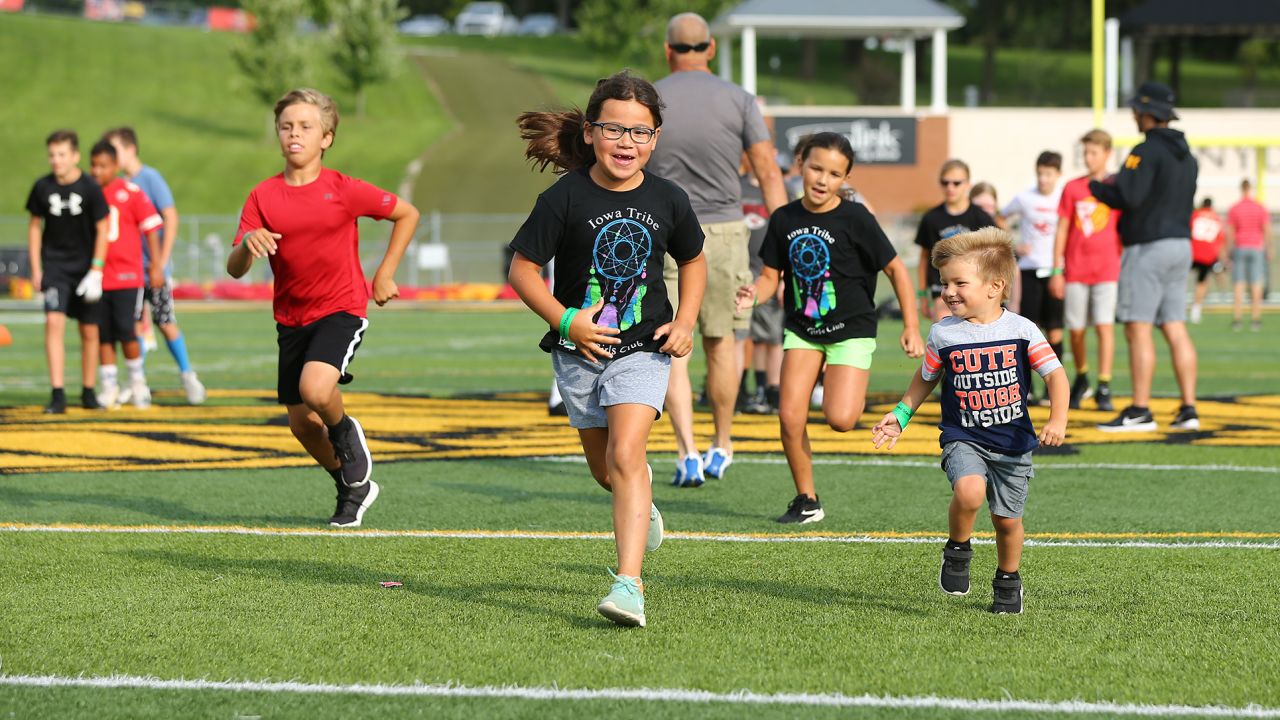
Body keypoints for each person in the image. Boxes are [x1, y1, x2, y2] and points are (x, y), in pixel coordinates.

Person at [509, 70, 707, 628]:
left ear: (657, 138)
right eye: (615, 130)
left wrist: (686, 321)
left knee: (626, 455)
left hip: (644, 349)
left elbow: (693, 260)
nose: (627, 143)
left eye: (640, 133)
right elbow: (522, 270)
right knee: (610, 471)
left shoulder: (669, 198)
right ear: (592, 133)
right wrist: (567, 319)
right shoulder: (563, 198)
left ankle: (629, 586)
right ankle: (642, 507)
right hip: (578, 356)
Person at [228, 88, 419, 528]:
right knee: (300, 423)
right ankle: (352, 485)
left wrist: (385, 273)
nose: (294, 134)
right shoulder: (262, 196)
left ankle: (347, 434)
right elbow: (235, 267)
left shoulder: (344, 190)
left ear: (326, 138)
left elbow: (407, 213)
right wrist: (247, 247)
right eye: (286, 126)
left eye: (305, 127)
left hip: (341, 308)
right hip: (290, 318)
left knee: (317, 391)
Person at [872, 227, 1067, 615]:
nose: (948, 291)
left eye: (960, 282)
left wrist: (1057, 418)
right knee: (970, 492)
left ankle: (1008, 580)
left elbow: (1056, 376)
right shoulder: (943, 333)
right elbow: (925, 379)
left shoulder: (1023, 330)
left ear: (995, 286)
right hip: (964, 437)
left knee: (1006, 522)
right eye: (945, 283)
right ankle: (958, 548)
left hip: (1014, 443)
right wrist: (900, 416)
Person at [736, 132, 922, 523]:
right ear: (801, 163)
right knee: (789, 416)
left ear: (845, 178)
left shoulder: (855, 218)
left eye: (834, 174)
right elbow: (771, 276)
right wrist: (753, 293)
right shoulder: (784, 218)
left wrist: (910, 326)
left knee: (840, 420)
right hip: (803, 330)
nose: (822, 179)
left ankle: (835, 378)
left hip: (851, 330)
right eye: (816, 168)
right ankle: (807, 499)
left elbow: (896, 270)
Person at [648, 11, 787, 487]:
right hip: (726, 232)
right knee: (722, 343)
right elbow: (768, 172)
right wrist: (786, 237)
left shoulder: (649, 98)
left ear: (668, 51)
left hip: (664, 229)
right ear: (709, 49)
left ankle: (686, 451)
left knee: (672, 346)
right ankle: (721, 444)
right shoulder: (740, 99)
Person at [1090, 82, 1200, 432]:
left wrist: (1096, 187)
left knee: (1138, 327)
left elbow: (1128, 196)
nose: (1134, 115)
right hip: (1181, 245)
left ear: (1149, 113)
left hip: (1149, 247)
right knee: (1175, 327)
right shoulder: (1188, 155)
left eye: (1138, 109)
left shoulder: (1145, 150)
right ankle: (1189, 408)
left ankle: (1140, 409)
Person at [102, 127, 207, 405]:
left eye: (117, 151)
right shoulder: (119, 184)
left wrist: (161, 261)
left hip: (155, 268)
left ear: (130, 149)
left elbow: (171, 217)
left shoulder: (150, 178)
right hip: (130, 271)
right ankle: (136, 382)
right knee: (132, 326)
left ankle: (188, 375)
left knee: (165, 321)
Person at [25, 129, 110, 414]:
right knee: (54, 323)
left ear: (74, 156)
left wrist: (97, 268)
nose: (56, 160)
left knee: (89, 330)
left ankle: (88, 390)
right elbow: (35, 227)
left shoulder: (90, 187)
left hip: (85, 269)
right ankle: (57, 393)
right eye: (52, 154)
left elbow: (103, 227)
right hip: (56, 268)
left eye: (62, 154)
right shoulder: (41, 187)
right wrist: (37, 268)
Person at [88, 140, 163, 409]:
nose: (97, 171)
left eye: (103, 166)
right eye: (93, 165)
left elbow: (151, 228)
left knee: (126, 330)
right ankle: (109, 385)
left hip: (127, 275)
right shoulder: (88, 192)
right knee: (102, 333)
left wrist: (155, 265)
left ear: (116, 166)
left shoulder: (130, 191)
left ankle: (137, 382)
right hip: (98, 276)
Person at [1049, 130, 1121, 411]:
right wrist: (1057, 268)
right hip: (1076, 268)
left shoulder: (1116, 187)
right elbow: (1063, 228)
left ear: (1107, 154)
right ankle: (1082, 376)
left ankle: (1104, 382)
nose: (1089, 158)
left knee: (1104, 326)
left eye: (1094, 153)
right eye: (1086, 153)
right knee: (1076, 330)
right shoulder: (1073, 187)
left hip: (1107, 268)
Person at [1000, 151, 1064, 404]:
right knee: (1028, 329)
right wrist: (1014, 243)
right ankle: (1024, 387)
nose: (1044, 179)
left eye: (1049, 174)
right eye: (1040, 173)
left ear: (1058, 174)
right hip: (1029, 270)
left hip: (1056, 270)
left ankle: (1053, 389)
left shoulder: (1063, 198)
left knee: (1056, 330)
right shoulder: (1025, 197)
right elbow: (1000, 216)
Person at [915, 160, 996, 322]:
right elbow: (924, 258)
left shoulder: (980, 217)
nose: (950, 188)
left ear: (967, 184)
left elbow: (993, 257)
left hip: (974, 287)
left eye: (956, 183)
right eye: (945, 183)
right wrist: (922, 295)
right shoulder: (931, 218)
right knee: (945, 329)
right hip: (942, 288)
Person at [742, 152, 783, 415]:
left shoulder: (779, 190)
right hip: (741, 273)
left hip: (769, 273)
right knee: (752, 339)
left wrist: (782, 278)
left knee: (773, 337)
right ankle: (756, 390)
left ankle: (774, 391)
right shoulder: (737, 186)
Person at [1225, 179, 1271, 332]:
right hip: (1256, 247)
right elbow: (1266, 229)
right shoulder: (1259, 207)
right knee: (1256, 283)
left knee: (1239, 284)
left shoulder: (1235, 208)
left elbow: (1231, 232)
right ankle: (1255, 319)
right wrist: (1269, 249)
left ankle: (1237, 319)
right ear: (1250, 189)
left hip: (1240, 247)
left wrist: (1228, 251)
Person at [1188, 198, 1225, 325]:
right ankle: (1196, 309)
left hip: (1192, 251)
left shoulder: (1195, 215)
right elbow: (1220, 239)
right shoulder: (1216, 218)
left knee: (1180, 279)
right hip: (1207, 254)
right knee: (1202, 282)